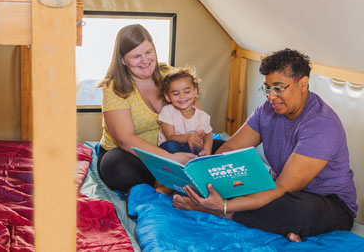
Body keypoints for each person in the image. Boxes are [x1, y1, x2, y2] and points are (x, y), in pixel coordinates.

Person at [172, 48, 357, 242]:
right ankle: (286, 228)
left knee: (298, 209)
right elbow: (230, 149)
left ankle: (213, 209)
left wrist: (224, 206)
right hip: (277, 187)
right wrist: (206, 169)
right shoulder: (267, 110)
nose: (270, 96)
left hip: (327, 202)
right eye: (267, 88)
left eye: (278, 88)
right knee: (208, 149)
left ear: (303, 84)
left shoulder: (321, 124)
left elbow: (282, 188)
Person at [97, 24, 200, 195]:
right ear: (123, 60)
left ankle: (173, 178)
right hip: (132, 154)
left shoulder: (169, 74)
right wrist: (170, 159)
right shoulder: (114, 88)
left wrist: (197, 143)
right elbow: (125, 139)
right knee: (116, 167)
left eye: (148, 52)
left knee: (223, 149)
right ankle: (174, 179)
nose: (145, 61)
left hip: (172, 145)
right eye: (136, 56)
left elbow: (194, 111)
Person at [158, 66, 213, 156]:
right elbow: (170, 137)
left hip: (188, 149)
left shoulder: (203, 116)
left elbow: (209, 135)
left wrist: (206, 151)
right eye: (176, 94)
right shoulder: (167, 111)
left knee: (195, 147)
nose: (182, 96)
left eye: (187, 92)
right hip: (169, 150)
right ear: (167, 97)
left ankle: (191, 164)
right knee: (172, 145)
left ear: (195, 91)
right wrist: (188, 137)